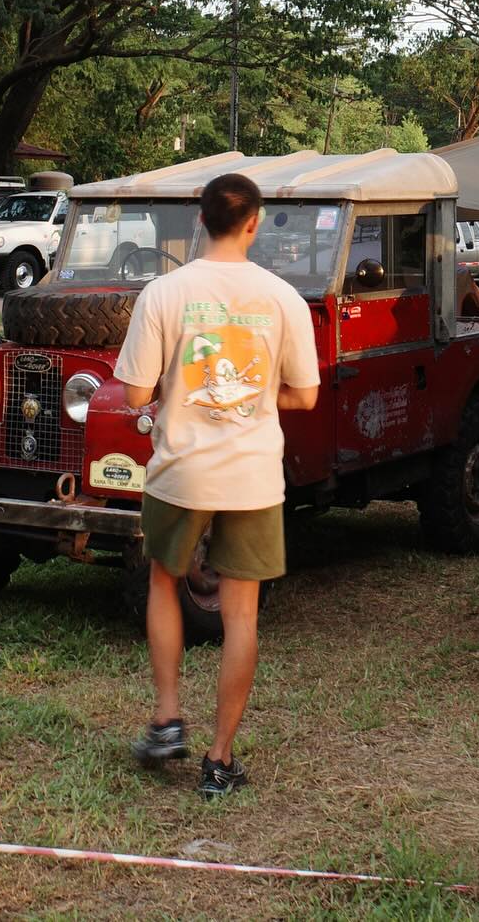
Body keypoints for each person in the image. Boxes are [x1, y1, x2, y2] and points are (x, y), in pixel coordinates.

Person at [114, 172, 320, 798]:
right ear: (254, 223)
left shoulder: (164, 292)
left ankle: (167, 715)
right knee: (241, 616)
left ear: (199, 221)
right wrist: (257, 395)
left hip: (180, 471)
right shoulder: (284, 297)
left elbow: (134, 393)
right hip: (254, 476)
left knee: (162, 581)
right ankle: (219, 759)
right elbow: (307, 395)